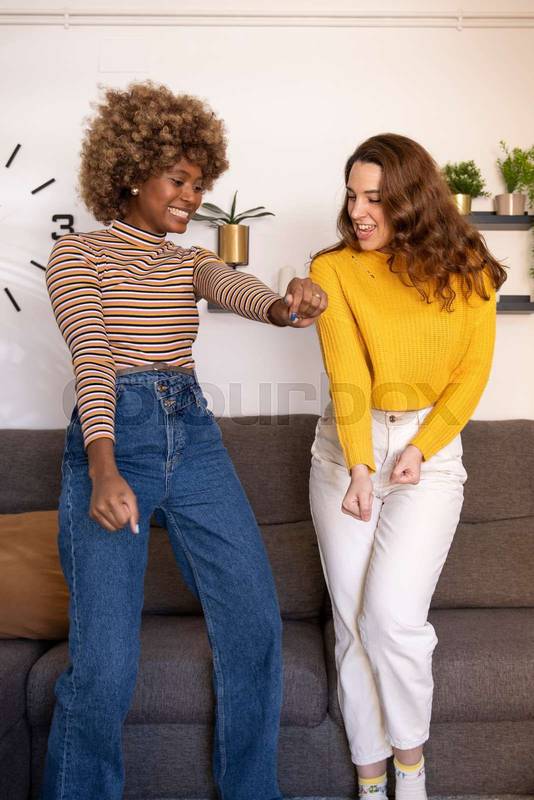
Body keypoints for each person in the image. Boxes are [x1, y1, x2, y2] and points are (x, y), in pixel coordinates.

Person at [41, 81, 327, 800]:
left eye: (200, 184)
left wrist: (289, 306)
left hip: (192, 436)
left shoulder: (189, 259)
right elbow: (93, 359)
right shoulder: (77, 257)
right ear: (133, 171)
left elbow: (242, 293)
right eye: (179, 180)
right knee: (104, 664)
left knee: (256, 622)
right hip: (116, 439)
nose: (190, 196)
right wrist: (104, 469)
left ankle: (253, 791)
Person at [309, 133, 506, 800]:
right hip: (347, 447)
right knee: (351, 619)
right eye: (351, 195)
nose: (357, 210)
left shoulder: (472, 269)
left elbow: (472, 375)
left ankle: (410, 771)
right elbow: (347, 374)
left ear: (412, 202)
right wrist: (362, 466)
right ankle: (371, 783)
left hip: (430, 448)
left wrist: (421, 449)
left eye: (374, 198)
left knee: (390, 616)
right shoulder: (333, 270)